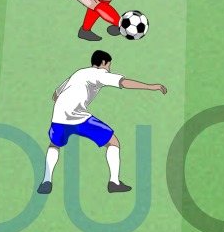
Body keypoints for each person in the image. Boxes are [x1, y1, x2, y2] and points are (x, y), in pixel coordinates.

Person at [40, 49, 166, 194]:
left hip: (58, 116)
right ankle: (114, 183)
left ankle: (46, 181)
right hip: (78, 117)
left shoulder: (79, 72)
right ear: (103, 63)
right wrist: (152, 87)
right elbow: (123, 82)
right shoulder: (100, 73)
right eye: (108, 65)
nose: (109, 68)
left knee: (54, 144)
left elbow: (55, 96)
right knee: (113, 142)